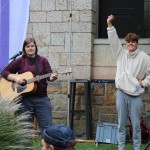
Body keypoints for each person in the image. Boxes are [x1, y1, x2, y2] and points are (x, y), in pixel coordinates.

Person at [107, 15, 150, 150]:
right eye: (128, 41)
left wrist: (143, 83)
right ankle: (121, 147)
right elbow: (114, 41)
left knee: (136, 125)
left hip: (135, 95)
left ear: (137, 43)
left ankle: (137, 148)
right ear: (126, 43)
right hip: (121, 93)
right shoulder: (121, 54)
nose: (130, 43)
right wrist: (110, 25)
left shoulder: (145, 57)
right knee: (121, 124)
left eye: (133, 41)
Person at [1, 37, 58, 134]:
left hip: (42, 99)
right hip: (25, 99)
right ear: (24, 48)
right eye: (28, 46)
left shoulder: (43, 61)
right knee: (25, 130)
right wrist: (17, 79)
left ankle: (47, 147)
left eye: (32, 46)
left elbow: (49, 76)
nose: (30, 48)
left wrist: (53, 77)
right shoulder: (20, 60)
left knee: (47, 128)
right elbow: (4, 72)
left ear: (36, 47)